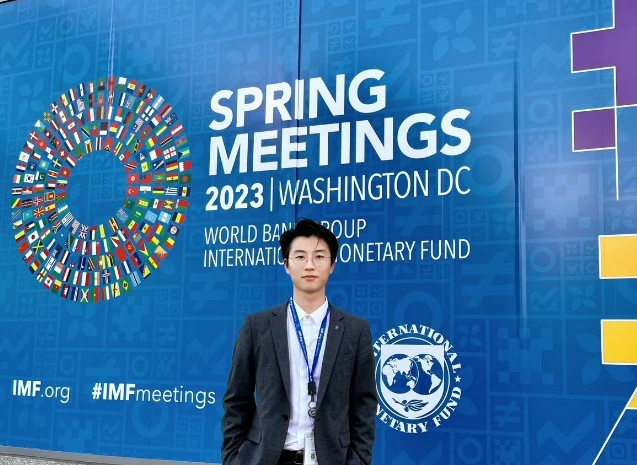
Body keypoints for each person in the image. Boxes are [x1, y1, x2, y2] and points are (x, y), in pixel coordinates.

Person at [221, 218, 377, 465]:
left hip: (332, 459)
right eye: (300, 256)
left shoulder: (355, 330)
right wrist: (233, 459)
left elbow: (364, 404)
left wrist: (359, 459)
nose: (310, 265)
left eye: (319, 256)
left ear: (332, 265)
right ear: (286, 265)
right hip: (267, 459)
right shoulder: (257, 326)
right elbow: (236, 399)